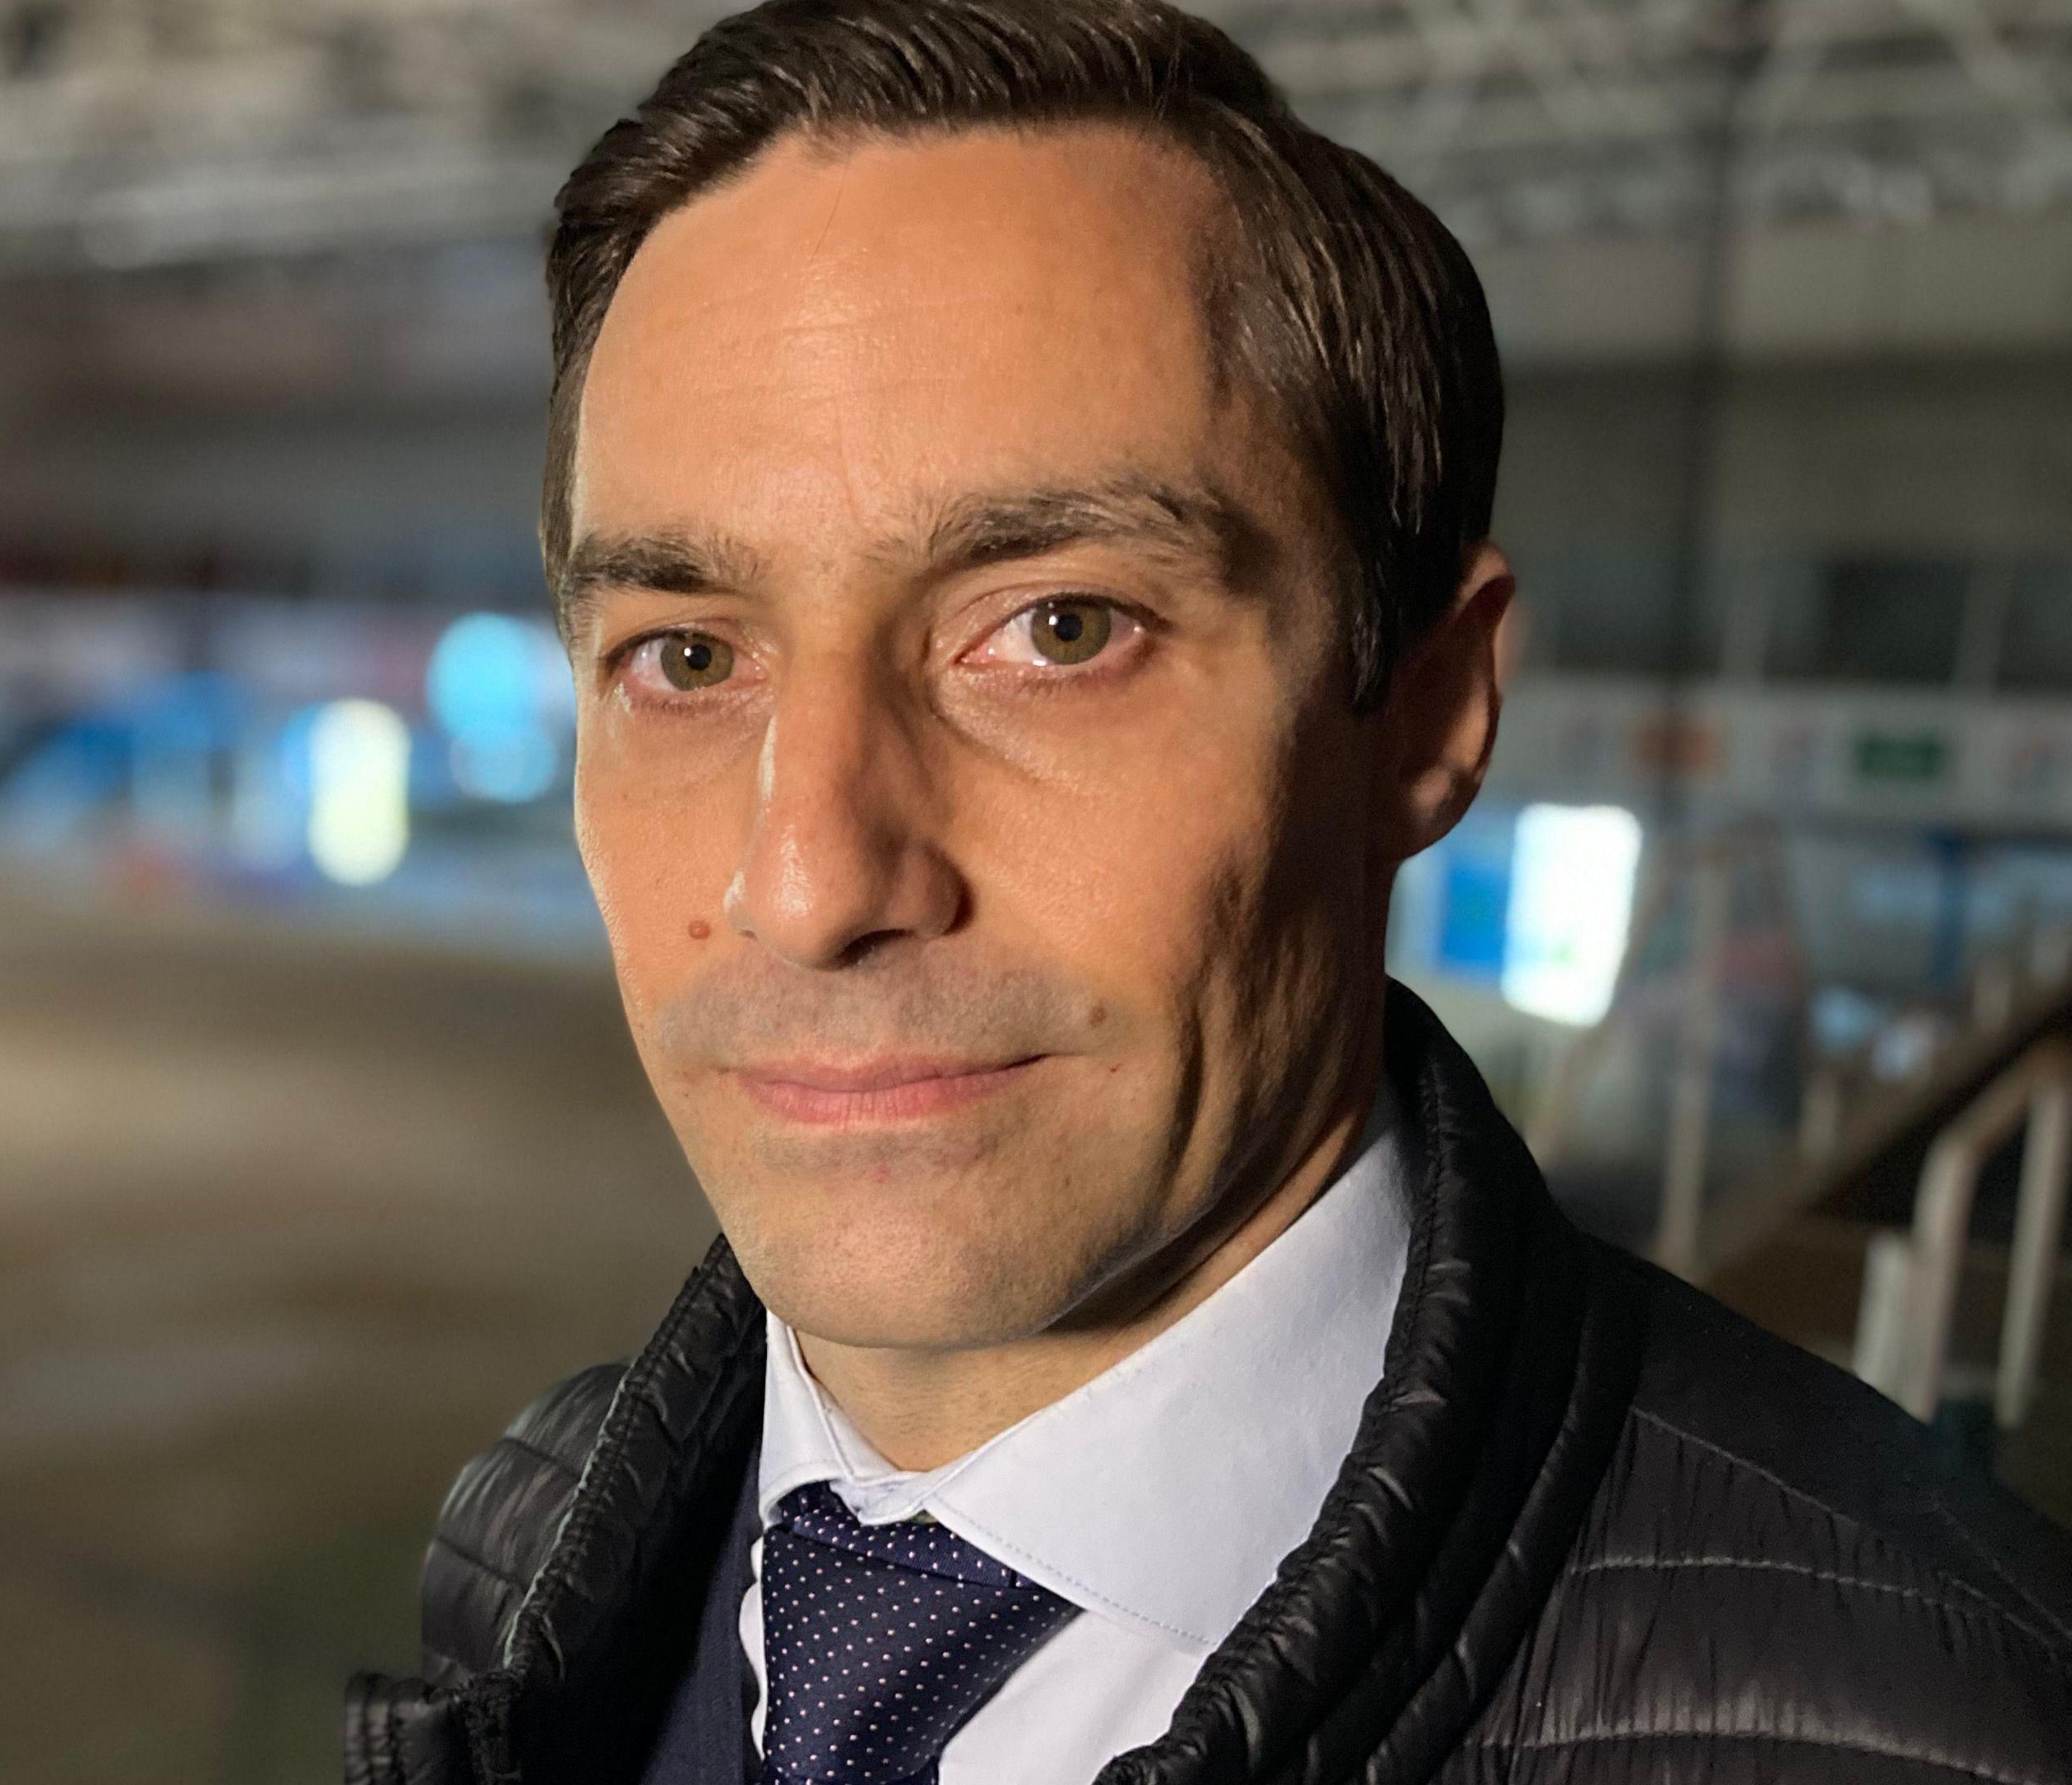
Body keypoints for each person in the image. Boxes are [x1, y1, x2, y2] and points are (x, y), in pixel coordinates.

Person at [343, 3, 2072, 1782]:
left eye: (1059, 629)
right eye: (689, 654)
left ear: (1426, 710)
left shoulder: (1927, 1731)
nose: (808, 882)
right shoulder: (540, 1535)